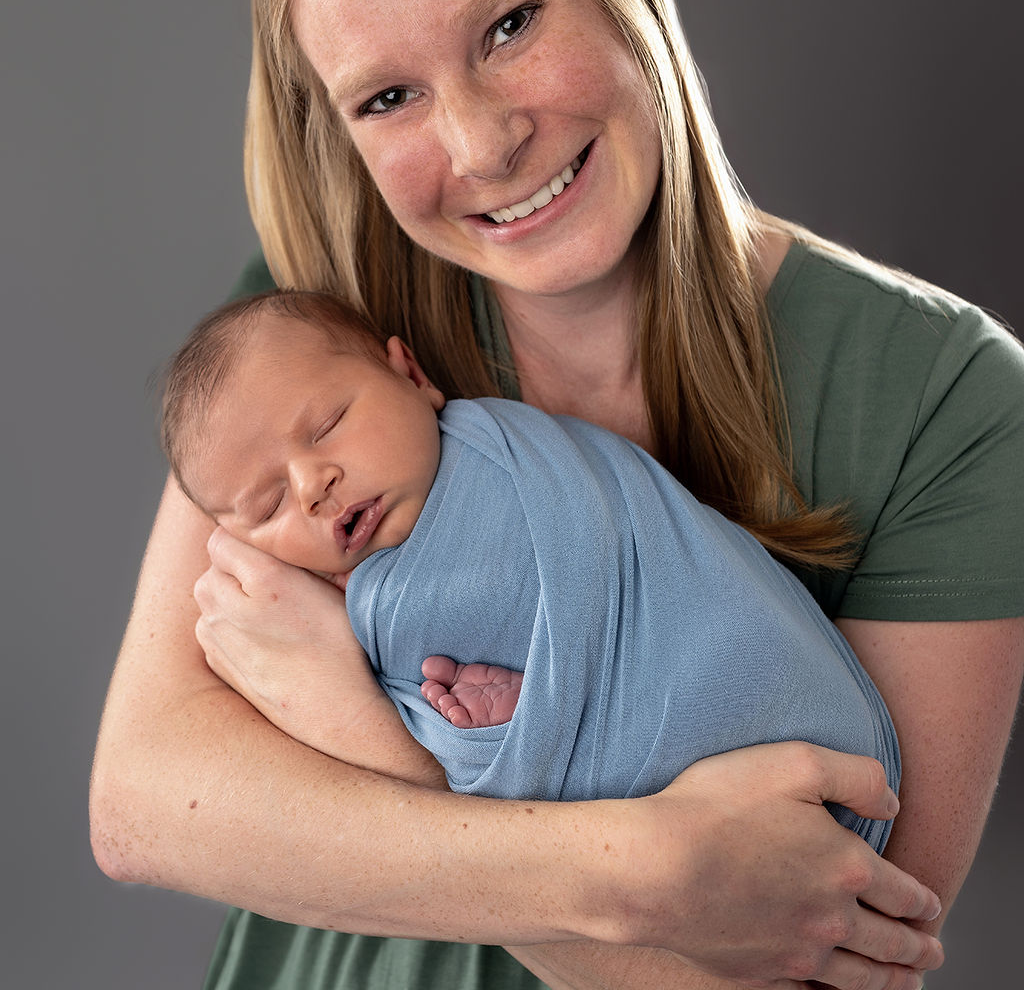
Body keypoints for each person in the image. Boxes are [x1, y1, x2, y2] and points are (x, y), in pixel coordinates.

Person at [89, 0, 1024, 990]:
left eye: (510, 26)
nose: (477, 142)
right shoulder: (314, 343)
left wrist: (359, 748)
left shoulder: (950, 400)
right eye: (388, 96)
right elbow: (148, 802)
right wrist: (652, 867)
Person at [158, 287, 899, 826]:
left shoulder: (506, 460)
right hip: (676, 815)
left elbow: (636, 568)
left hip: (749, 678)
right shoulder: (360, 609)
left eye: (329, 426)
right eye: (268, 505)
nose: (312, 485)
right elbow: (450, 746)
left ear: (412, 376)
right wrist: (499, 732)